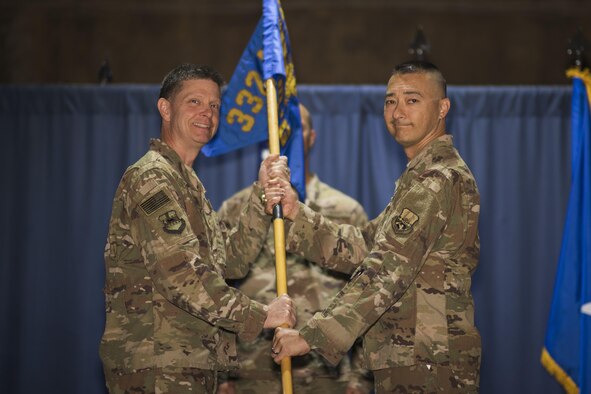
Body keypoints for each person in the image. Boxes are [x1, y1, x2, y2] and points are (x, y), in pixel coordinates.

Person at [268, 61, 481, 393]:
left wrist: (311, 336)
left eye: (412, 100)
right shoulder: (420, 179)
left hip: (426, 366)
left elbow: (385, 269)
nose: (398, 112)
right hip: (411, 358)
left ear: (442, 108)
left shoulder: (438, 179)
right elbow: (366, 246)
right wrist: (298, 213)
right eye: (390, 101)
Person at [99, 63, 296, 394]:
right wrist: (260, 315)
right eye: (194, 102)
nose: (207, 113)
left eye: (215, 105)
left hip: (187, 362)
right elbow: (180, 274)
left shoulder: (188, 184)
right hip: (157, 364)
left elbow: (228, 264)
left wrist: (261, 198)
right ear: (165, 108)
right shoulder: (152, 177)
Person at [216, 103, 374, 394]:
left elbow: (369, 291)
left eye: (295, 126)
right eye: (278, 127)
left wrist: (361, 378)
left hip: (327, 373)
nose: (285, 133)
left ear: (312, 137)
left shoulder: (346, 211)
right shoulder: (236, 209)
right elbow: (217, 288)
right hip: (252, 375)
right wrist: (220, 374)